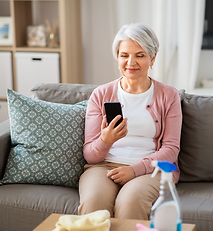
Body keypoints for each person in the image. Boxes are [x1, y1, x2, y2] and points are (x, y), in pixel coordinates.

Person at [78, 23, 182, 220]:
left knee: (130, 201)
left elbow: (171, 149)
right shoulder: (101, 94)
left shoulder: (169, 95)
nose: (130, 62)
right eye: (124, 55)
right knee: (93, 203)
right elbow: (90, 156)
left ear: (153, 58)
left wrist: (134, 170)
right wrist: (105, 140)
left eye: (140, 55)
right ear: (117, 57)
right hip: (104, 168)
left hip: (150, 171)